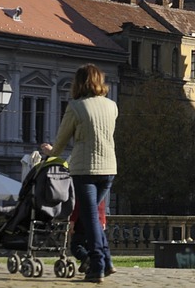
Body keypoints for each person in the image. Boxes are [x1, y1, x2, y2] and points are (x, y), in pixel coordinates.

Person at [43, 64, 118, 283]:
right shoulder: (112, 106)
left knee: (91, 218)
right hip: (109, 168)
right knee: (93, 218)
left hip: (85, 169)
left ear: (79, 83)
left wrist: (50, 155)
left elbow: (62, 139)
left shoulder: (75, 107)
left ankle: (98, 266)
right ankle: (107, 261)